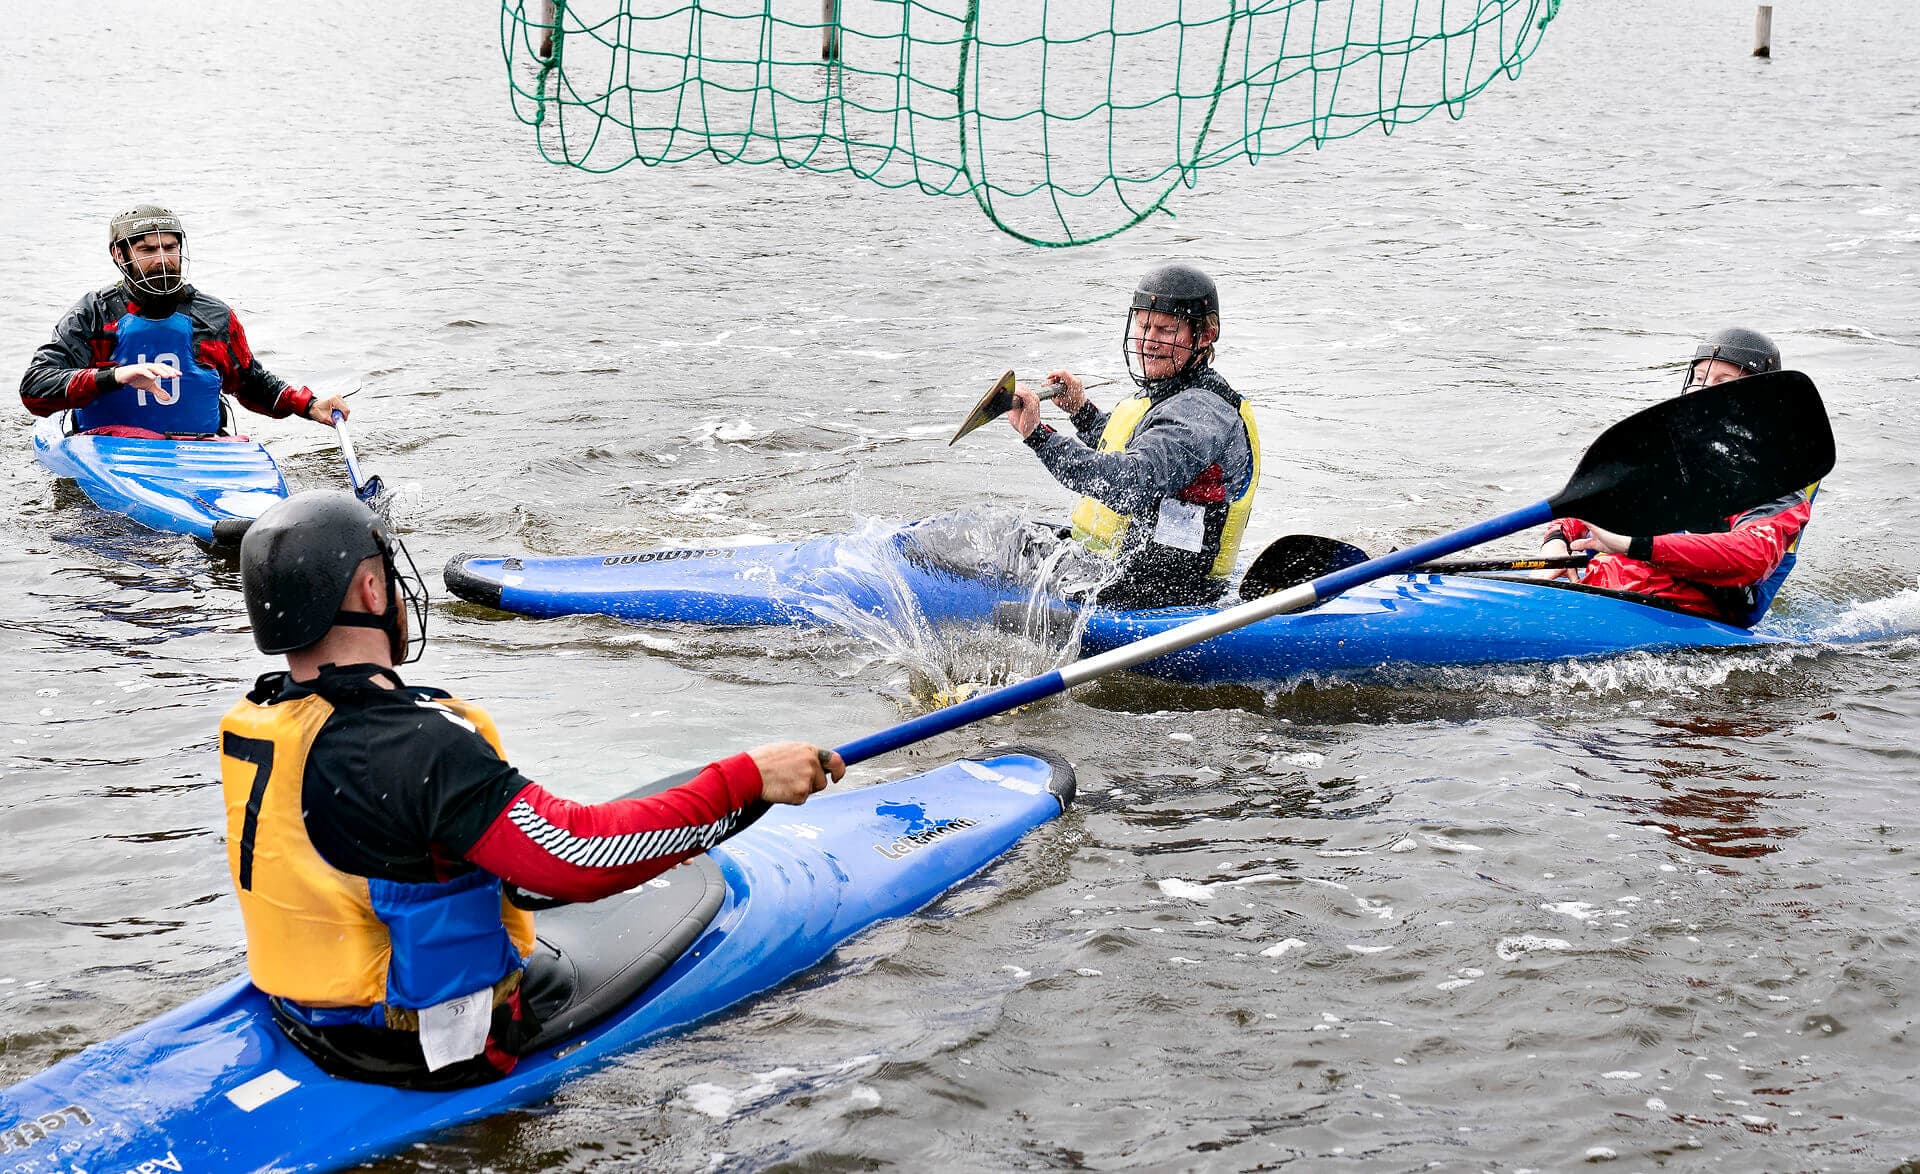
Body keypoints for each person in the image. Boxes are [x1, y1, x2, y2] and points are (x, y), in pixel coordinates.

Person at [221, 490, 843, 1088]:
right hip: (424, 1050)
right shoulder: (409, 744)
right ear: (371, 589)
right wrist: (749, 780)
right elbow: (575, 861)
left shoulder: (265, 716)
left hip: (304, 1016)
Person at [1004, 264, 1261, 609]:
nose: (1148, 340)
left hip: (1161, 594)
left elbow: (1129, 481)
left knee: (997, 549)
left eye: (1166, 329)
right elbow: (1134, 449)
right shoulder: (1174, 396)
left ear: (1205, 335)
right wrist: (1082, 412)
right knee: (1007, 532)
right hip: (1122, 567)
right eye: (1143, 325)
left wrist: (1038, 436)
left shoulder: (1200, 412)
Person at [1537, 327, 1816, 626]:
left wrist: (1635, 544)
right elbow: (1592, 502)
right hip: (1604, 587)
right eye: (1698, 379)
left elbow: (1752, 557)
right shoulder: (1671, 455)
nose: (1702, 391)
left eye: (1722, 381)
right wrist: (1556, 541)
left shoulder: (1777, 485)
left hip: (1683, 613)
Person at [19, 204, 349, 436]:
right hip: (108, 448)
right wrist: (116, 375)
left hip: (196, 449)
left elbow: (250, 382)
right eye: (148, 250)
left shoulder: (213, 316)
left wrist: (309, 405)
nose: (163, 261)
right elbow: (35, 387)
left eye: (170, 247)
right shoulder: (93, 314)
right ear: (119, 255)